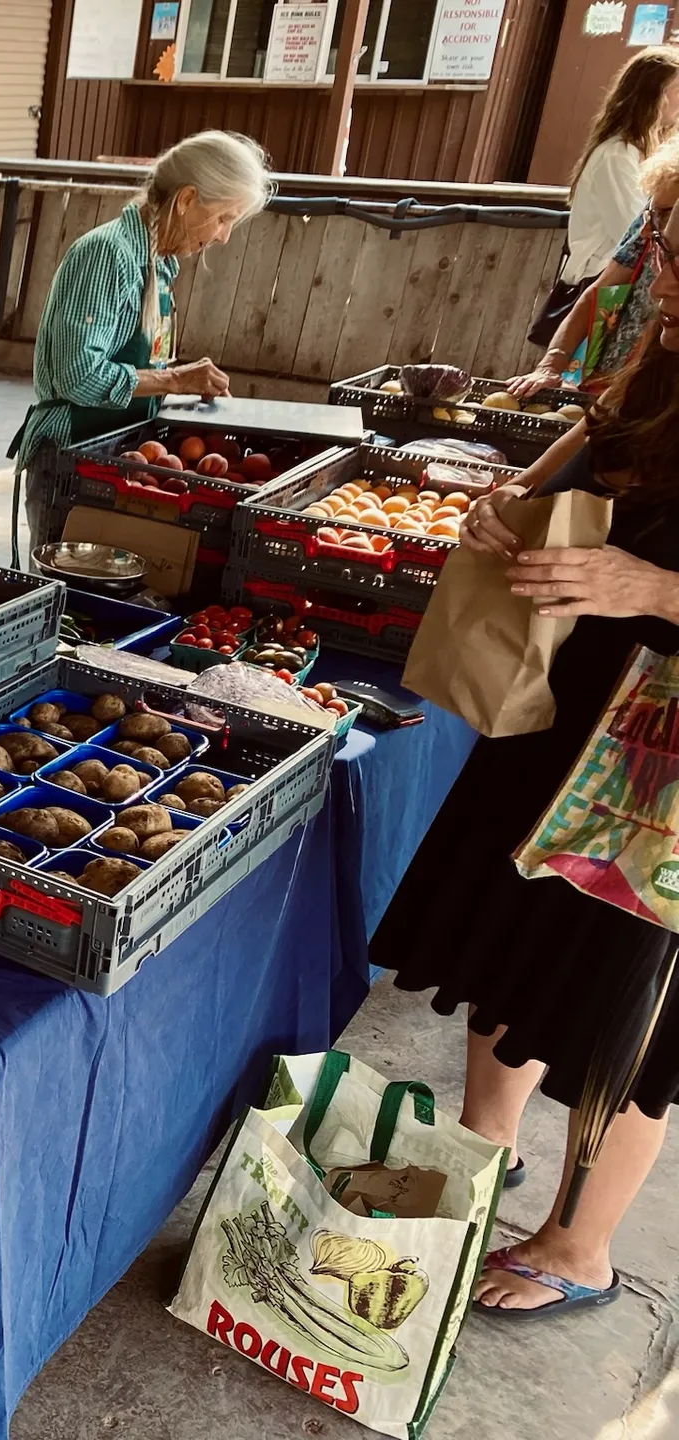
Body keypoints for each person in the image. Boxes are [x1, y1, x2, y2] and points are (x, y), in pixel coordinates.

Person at [372, 199, 679, 1319]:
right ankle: (478, 1158)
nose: (668, 280)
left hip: (664, 766)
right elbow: (593, 447)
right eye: (670, 251)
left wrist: (653, 591)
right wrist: (512, 507)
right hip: (573, 693)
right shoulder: (668, 349)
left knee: (625, 1000)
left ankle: (579, 1244)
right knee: (510, 934)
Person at [10, 131, 271, 555]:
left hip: (118, 452)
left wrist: (179, 387)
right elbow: (78, 375)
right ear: (186, 199)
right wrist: (173, 379)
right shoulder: (108, 255)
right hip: (73, 457)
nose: (224, 236)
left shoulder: (157, 262)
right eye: (223, 218)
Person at [518, 46, 679, 390]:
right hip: (612, 316)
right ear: (655, 97)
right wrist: (551, 364)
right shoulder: (618, 157)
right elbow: (629, 244)